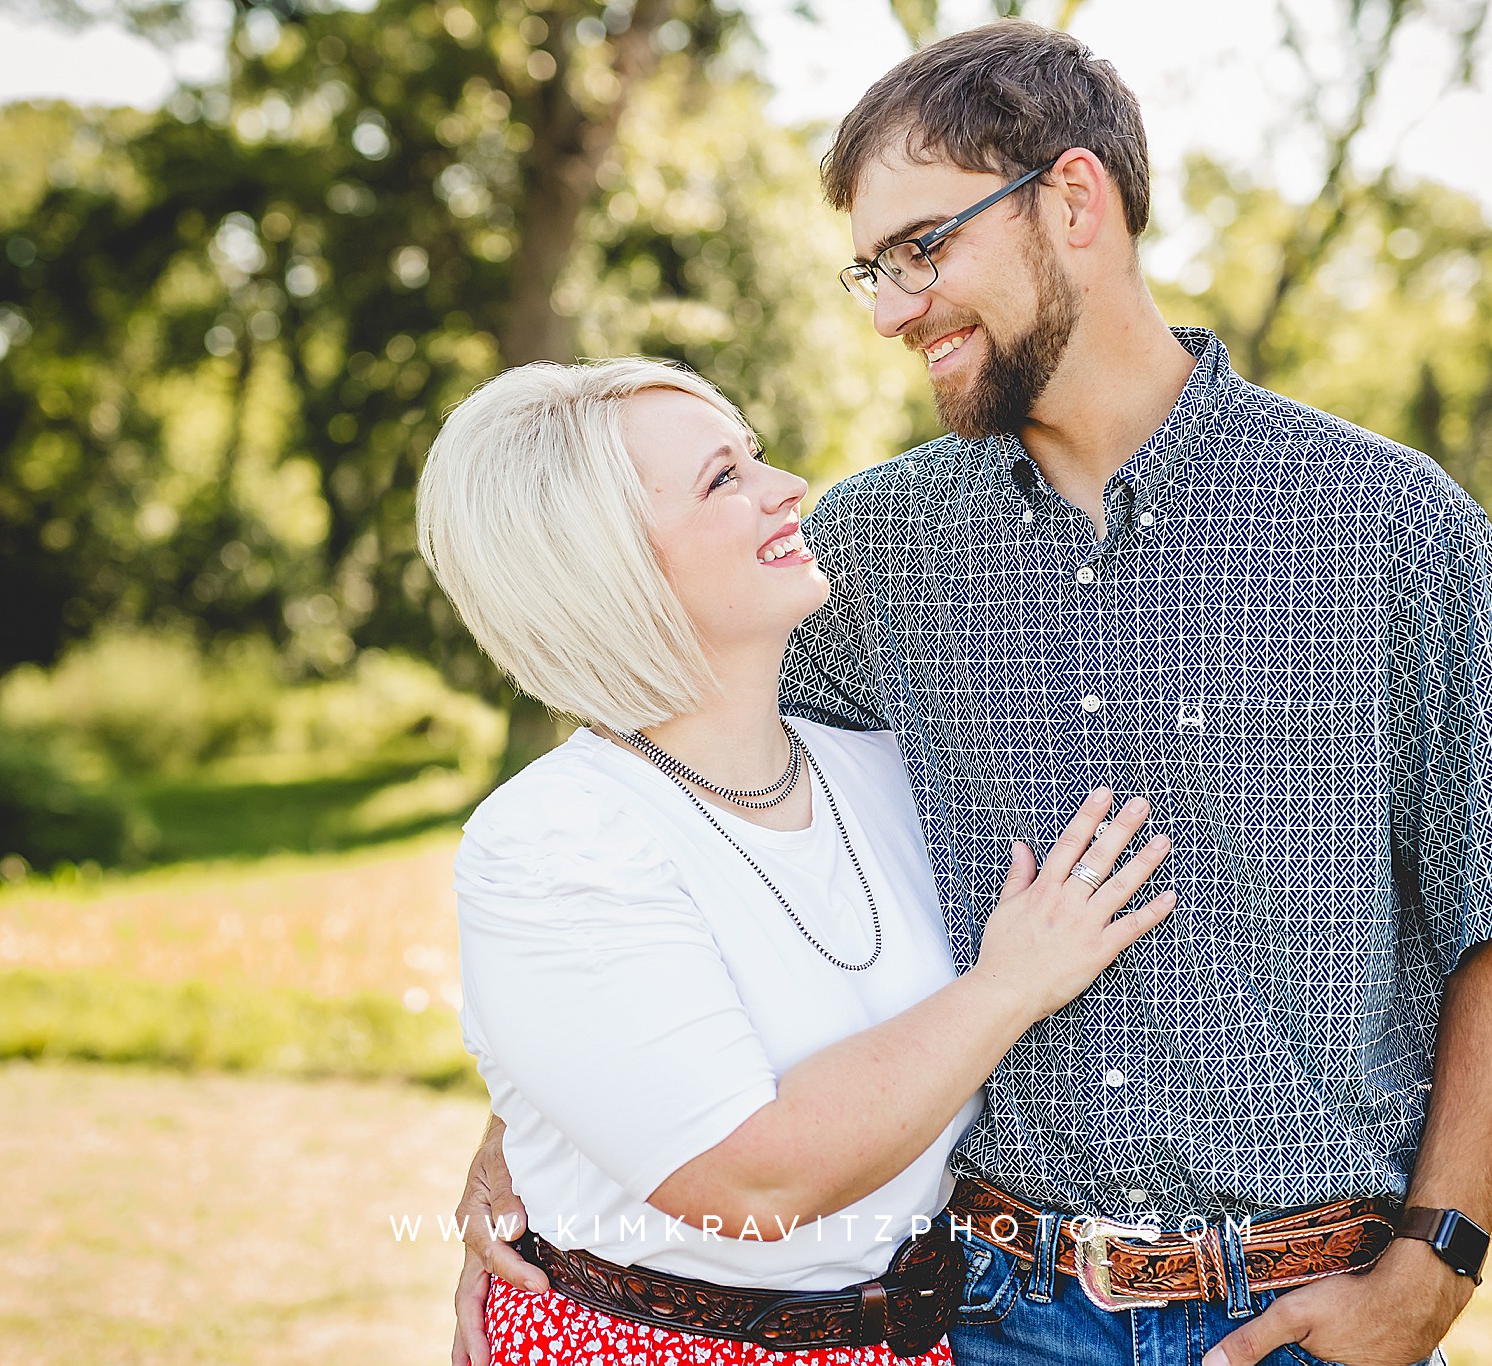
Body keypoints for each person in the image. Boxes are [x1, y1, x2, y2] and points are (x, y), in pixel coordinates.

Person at [453, 21, 1492, 1366]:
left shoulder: (1387, 523)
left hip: (1297, 1311)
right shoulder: (870, 550)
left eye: (925, 248)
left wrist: (1436, 1267)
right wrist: (535, 1129)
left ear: (1074, 202)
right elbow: (665, 784)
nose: (891, 309)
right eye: (872, 269)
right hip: (988, 1312)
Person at [417, 356, 1181, 1366]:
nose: (785, 491)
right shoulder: (557, 838)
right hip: (656, 1343)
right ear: (604, 564)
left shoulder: (884, 771)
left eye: (755, 457)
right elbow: (746, 1181)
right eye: (720, 480)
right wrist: (1012, 983)